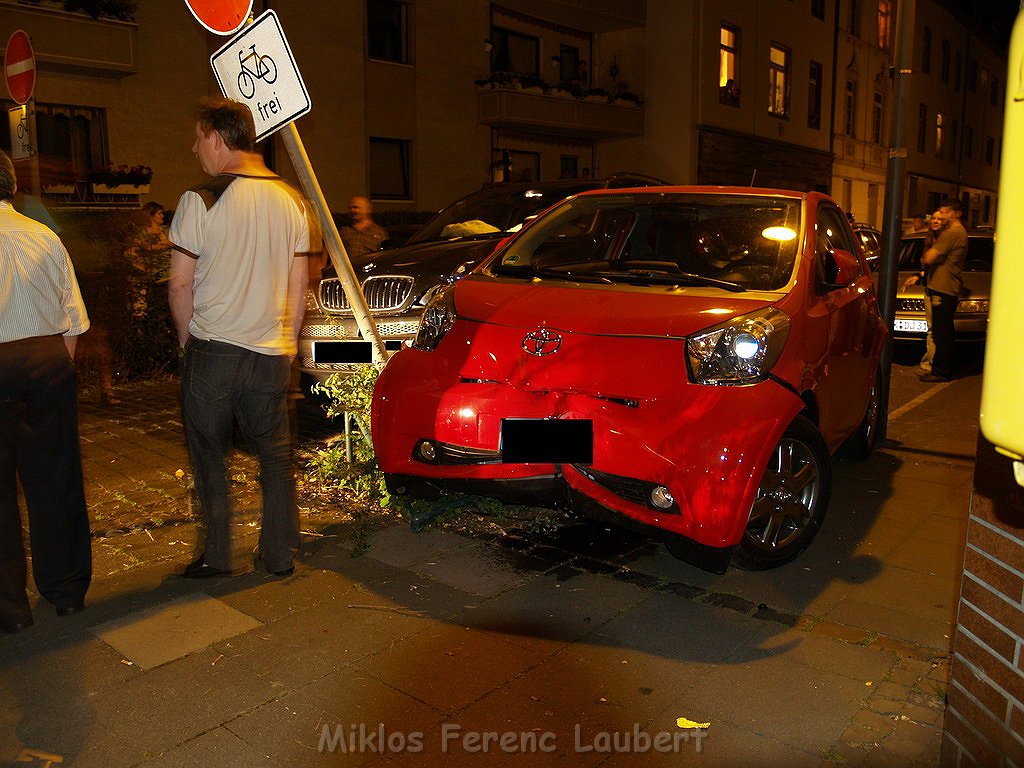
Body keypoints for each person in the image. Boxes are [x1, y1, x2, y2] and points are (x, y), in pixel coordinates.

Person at [167, 97, 312, 579]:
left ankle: (216, 556)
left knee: (209, 455)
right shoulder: (293, 201)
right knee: (274, 456)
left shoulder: (202, 198)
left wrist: (188, 343)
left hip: (214, 351)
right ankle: (277, 556)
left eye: (196, 138)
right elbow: (298, 285)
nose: (193, 148)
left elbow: (180, 283)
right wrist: (286, 345)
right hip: (270, 353)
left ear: (215, 136)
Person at [0, 150, 92, 633]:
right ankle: (67, 591)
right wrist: (58, 371)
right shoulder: (44, 236)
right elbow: (74, 319)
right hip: (47, 360)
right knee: (55, 479)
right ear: (11, 187)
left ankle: (10, 610)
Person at [919, 199, 968, 382]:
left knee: (941, 331)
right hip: (945, 285)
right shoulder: (959, 233)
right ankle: (942, 368)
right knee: (942, 329)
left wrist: (927, 256)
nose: (943, 216)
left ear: (955, 213)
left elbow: (930, 257)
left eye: (946, 212)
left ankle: (940, 370)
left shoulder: (952, 233)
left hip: (943, 286)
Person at [903, 210, 947, 371]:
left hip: (939, 288)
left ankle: (933, 363)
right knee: (931, 328)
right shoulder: (928, 239)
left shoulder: (946, 240)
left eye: (939, 219)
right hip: (929, 286)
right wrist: (918, 276)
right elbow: (927, 267)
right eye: (933, 218)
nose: (935, 221)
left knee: (936, 329)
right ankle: (931, 362)